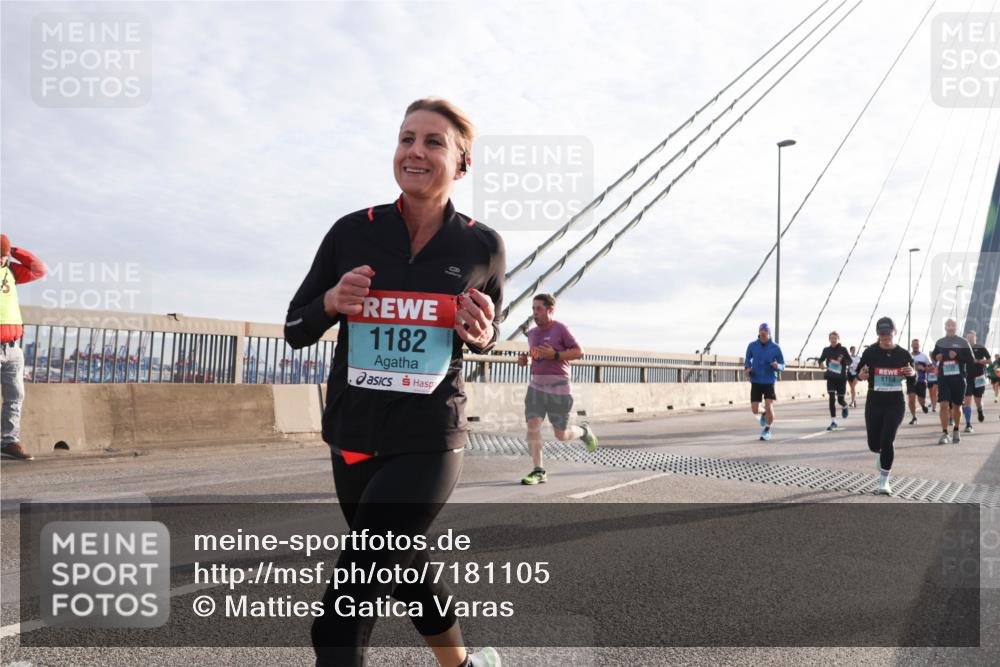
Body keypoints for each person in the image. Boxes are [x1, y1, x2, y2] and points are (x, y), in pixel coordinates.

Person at [285, 98, 502, 667]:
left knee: (343, 612)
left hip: (429, 437)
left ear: (461, 164)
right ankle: (462, 665)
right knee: (405, 568)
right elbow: (294, 327)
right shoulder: (352, 232)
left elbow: (487, 334)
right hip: (354, 436)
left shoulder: (482, 246)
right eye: (407, 138)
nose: (415, 151)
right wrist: (333, 301)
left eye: (434, 142)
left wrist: (481, 334)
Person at [517, 293, 598, 485]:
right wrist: (526, 360)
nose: (534, 313)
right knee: (533, 427)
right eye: (533, 309)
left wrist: (556, 355)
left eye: (539, 309)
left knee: (561, 435)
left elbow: (579, 352)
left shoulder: (560, 329)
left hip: (559, 390)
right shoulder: (533, 334)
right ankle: (539, 470)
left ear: (550, 310)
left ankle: (583, 431)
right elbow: (536, 356)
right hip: (536, 388)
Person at [856, 317, 915, 496]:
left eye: (888, 333)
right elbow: (858, 374)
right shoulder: (870, 353)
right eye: (882, 334)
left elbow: (913, 377)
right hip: (874, 402)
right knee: (874, 444)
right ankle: (880, 453)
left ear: (894, 333)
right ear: (878, 335)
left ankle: (884, 481)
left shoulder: (903, 354)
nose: (885, 337)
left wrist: (912, 373)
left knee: (887, 439)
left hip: (895, 403)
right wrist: (861, 376)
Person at [1, 234, 47, 461]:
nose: (1, 260)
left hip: (13, 348)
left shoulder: (10, 271)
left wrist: (15, 251)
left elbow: (39, 270)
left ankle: (9, 442)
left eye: (4, 256)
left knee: (15, 396)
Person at [930, 318, 975, 445]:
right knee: (943, 405)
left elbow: (971, 359)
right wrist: (936, 357)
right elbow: (934, 355)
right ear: (945, 327)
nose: (950, 327)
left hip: (959, 379)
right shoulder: (940, 342)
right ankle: (944, 433)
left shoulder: (963, 342)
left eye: (953, 325)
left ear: (956, 328)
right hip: (944, 378)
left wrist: (957, 357)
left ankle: (956, 430)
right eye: (948, 325)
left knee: (957, 406)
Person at [745, 323, 784, 441]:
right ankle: (763, 414)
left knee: (769, 406)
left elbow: (783, 364)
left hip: (769, 380)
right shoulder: (752, 346)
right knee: (755, 409)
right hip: (756, 380)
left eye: (765, 332)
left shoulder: (775, 347)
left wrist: (778, 366)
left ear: (769, 333)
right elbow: (747, 360)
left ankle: (767, 430)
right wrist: (747, 369)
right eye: (761, 331)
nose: (763, 334)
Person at [817, 331, 851, 431]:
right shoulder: (826, 350)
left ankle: (845, 406)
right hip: (831, 377)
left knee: (840, 400)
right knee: (831, 398)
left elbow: (850, 361)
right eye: (831, 338)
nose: (833, 340)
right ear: (829, 339)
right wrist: (820, 364)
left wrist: (842, 361)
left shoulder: (843, 349)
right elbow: (820, 359)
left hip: (841, 378)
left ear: (838, 339)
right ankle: (833, 421)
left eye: (835, 338)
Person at [961, 330, 991, 432]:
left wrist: (978, 361)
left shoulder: (981, 347)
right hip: (968, 378)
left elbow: (989, 361)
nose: (970, 339)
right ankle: (968, 424)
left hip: (979, 377)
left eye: (972, 337)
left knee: (978, 400)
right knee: (967, 401)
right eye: (968, 338)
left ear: (975, 337)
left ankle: (980, 410)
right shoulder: (964, 349)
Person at [906, 338, 932, 425]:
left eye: (917, 345)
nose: (915, 346)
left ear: (919, 346)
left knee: (921, 400)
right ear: (911, 345)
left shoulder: (924, 356)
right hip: (910, 381)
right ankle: (914, 417)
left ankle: (923, 405)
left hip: (921, 381)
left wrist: (924, 368)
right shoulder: (908, 356)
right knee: (911, 398)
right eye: (914, 344)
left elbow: (931, 368)